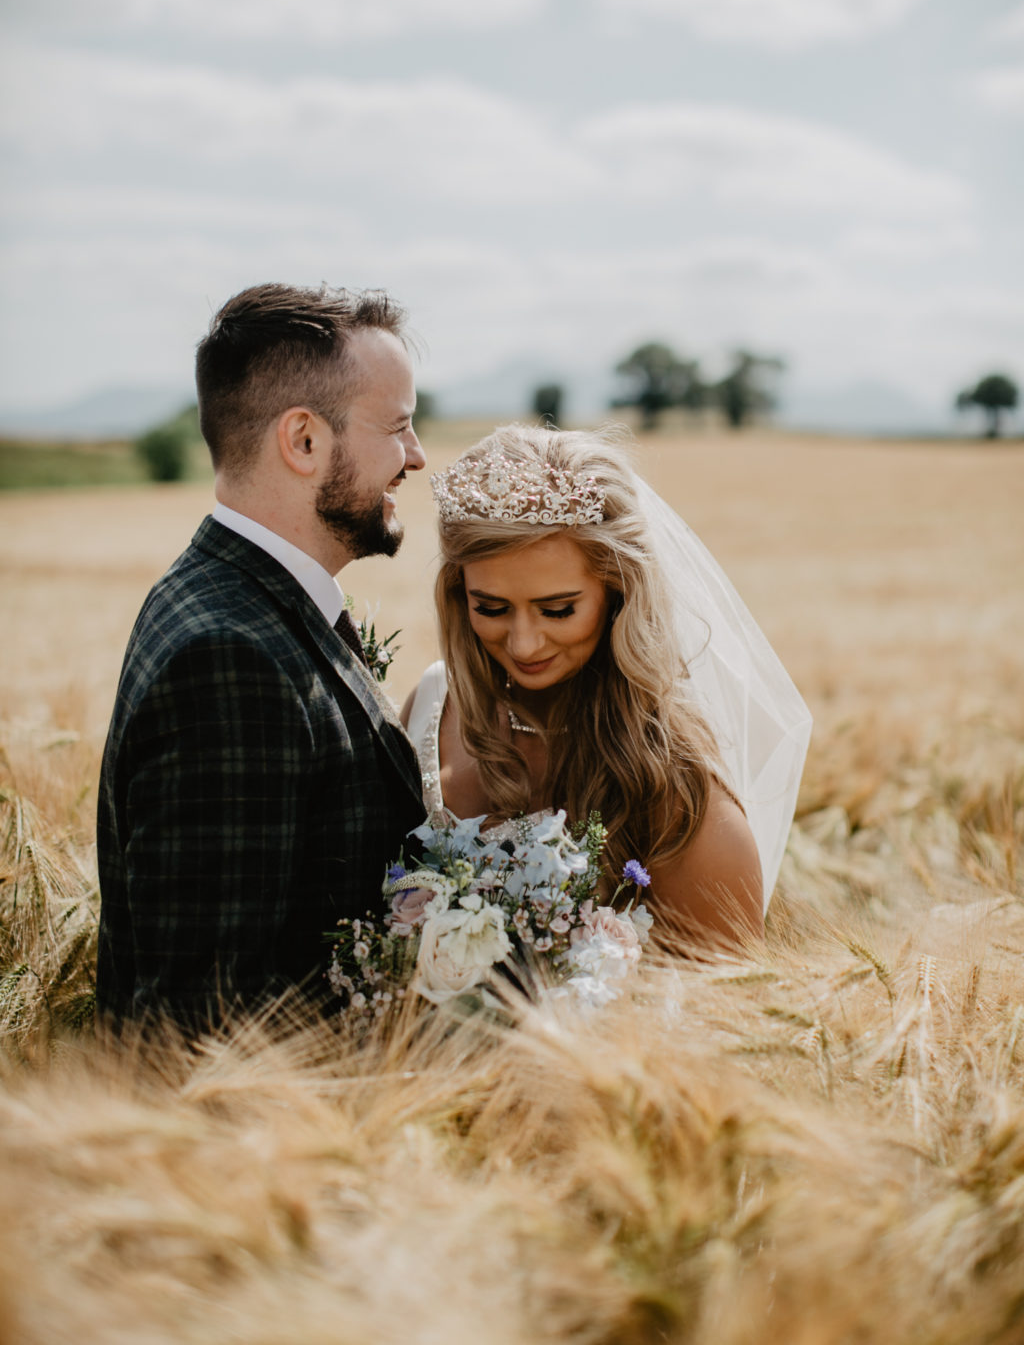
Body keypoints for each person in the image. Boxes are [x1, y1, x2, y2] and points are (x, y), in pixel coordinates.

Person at [96, 282, 428, 1030]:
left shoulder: (232, 594)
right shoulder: (227, 659)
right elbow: (202, 1028)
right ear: (304, 441)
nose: (416, 455)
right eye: (399, 427)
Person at [402, 425, 812, 952]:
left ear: (617, 591)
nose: (524, 644)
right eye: (491, 608)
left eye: (557, 610)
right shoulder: (431, 708)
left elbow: (723, 1010)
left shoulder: (675, 787)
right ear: (459, 597)